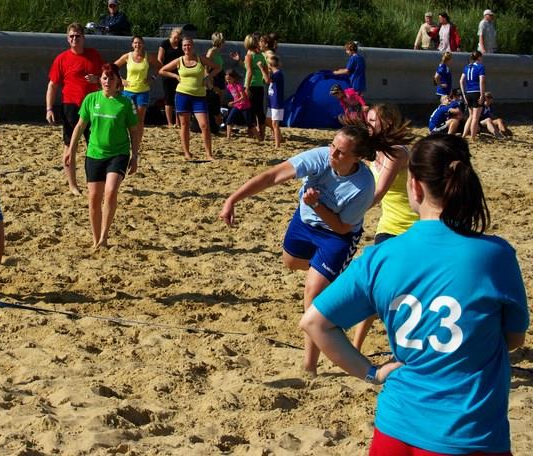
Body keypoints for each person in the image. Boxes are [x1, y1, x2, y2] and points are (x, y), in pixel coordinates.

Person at [300, 133, 528, 456]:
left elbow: (314, 323)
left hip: (394, 430)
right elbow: (514, 338)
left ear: (415, 187)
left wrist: (372, 372)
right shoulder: (495, 255)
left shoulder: (381, 257)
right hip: (468, 433)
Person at [220, 118, 412, 376]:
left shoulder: (363, 185)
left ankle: (309, 367)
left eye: (340, 152)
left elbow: (342, 228)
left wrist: (318, 206)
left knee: (312, 293)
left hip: (337, 236)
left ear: (356, 158)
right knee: (290, 262)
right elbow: (273, 176)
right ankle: (331, 275)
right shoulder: (320, 157)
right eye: (332, 146)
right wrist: (233, 199)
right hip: (304, 222)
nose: (332, 153)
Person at [351, 104, 418, 351]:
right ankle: (356, 347)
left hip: (412, 228)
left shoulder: (397, 152)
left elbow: (378, 193)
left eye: (373, 120)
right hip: (387, 226)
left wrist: (347, 214)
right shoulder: (375, 153)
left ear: (387, 123)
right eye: (367, 120)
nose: (368, 125)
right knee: (377, 285)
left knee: (402, 289)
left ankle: (409, 344)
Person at [64, 63, 139, 248]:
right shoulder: (91, 99)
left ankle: (104, 237)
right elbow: (80, 126)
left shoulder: (126, 102)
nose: (107, 81)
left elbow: (134, 130)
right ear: (100, 80)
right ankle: (96, 239)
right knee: (93, 198)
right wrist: (71, 150)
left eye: (111, 78)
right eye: (104, 78)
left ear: (118, 81)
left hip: (118, 154)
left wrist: (135, 155)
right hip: (94, 153)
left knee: (111, 191)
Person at [45, 22, 104, 195]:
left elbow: (106, 79)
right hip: (71, 105)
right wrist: (49, 108)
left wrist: (97, 80)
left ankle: (93, 182)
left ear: (83, 38)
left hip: (93, 105)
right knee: (70, 145)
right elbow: (52, 85)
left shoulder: (94, 55)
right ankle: (73, 185)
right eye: (71, 36)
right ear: (67, 38)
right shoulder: (62, 58)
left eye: (77, 36)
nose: (74, 39)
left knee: (95, 145)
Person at [158, 36, 221, 160]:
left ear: (193, 46)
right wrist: (175, 76)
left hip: (199, 96)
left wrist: (208, 76)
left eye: (189, 45)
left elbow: (218, 67)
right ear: (182, 47)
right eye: (185, 45)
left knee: (204, 125)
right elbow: (162, 70)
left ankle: (209, 154)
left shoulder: (201, 59)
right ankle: (187, 153)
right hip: (182, 94)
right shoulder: (179, 60)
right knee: (184, 124)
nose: (187, 47)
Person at [114, 35, 162, 151]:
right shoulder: (127, 56)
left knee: (139, 120)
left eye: (139, 43)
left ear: (143, 44)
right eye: (135, 43)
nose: (137, 45)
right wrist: (121, 80)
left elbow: (160, 67)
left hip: (143, 91)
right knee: (127, 118)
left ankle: (137, 144)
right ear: (132, 44)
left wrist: (152, 78)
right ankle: (124, 141)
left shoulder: (148, 57)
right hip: (128, 91)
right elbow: (113, 67)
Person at [243, 34, 267, 141]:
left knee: (250, 110)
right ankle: (262, 134)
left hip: (251, 85)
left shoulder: (249, 56)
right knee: (259, 110)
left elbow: (249, 72)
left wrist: (247, 88)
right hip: (260, 86)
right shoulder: (261, 55)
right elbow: (265, 70)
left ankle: (254, 134)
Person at [157, 27, 182, 127]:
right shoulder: (165, 44)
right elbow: (160, 59)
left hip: (179, 74)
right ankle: (169, 122)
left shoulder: (181, 44)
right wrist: (161, 69)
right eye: (175, 37)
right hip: (167, 73)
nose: (177, 40)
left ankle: (178, 122)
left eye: (178, 38)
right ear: (171, 35)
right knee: (168, 97)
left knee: (178, 98)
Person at [459, 50, 485, 142]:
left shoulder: (467, 67)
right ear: (479, 57)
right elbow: (482, 81)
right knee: (475, 117)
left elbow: (461, 81)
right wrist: (482, 94)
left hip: (468, 93)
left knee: (471, 116)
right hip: (476, 92)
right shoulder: (480, 67)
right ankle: (473, 138)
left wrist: (463, 94)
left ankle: (464, 135)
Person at [223, 69, 254, 139]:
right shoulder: (229, 86)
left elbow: (243, 97)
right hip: (237, 106)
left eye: (229, 79)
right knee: (229, 121)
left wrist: (233, 102)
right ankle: (228, 137)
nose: (228, 81)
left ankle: (259, 138)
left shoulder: (238, 86)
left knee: (249, 123)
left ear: (234, 78)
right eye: (226, 79)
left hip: (245, 106)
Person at [263, 54, 284, 148]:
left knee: (275, 124)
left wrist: (262, 69)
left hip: (277, 103)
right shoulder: (274, 73)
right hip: (272, 103)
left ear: (270, 65)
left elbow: (267, 81)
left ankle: (277, 144)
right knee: (268, 121)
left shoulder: (278, 74)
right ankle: (279, 136)